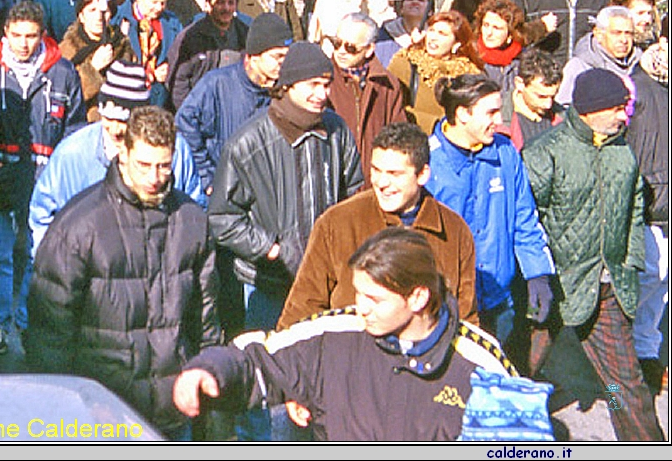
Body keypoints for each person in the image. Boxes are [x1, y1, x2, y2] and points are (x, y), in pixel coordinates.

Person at [173, 227, 522, 442]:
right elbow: (258, 360)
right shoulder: (335, 334)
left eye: (375, 298)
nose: (361, 307)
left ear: (418, 297)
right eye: (358, 293)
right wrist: (210, 370)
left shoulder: (480, 363)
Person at [29, 106, 221, 439]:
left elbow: (206, 322)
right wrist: (66, 406)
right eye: (144, 165)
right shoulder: (79, 226)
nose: (154, 177)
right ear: (123, 153)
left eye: (164, 165)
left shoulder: (192, 221)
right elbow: (49, 333)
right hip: (102, 409)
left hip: (172, 407)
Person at [522, 68, 665, 440]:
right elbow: (524, 219)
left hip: (605, 289)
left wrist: (630, 262)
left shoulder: (623, 153)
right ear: (590, 109)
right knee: (520, 372)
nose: (625, 115)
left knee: (623, 386)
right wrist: (538, 274)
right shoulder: (545, 153)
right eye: (618, 108)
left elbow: (634, 211)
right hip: (553, 288)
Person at [208, 41, 364, 337]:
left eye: (327, 84)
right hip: (268, 285)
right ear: (288, 85)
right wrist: (271, 248)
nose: (322, 94)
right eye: (313, 84)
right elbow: (222, 218)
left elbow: (354, 192)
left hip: (327, 280)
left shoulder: (336, 130)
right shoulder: (248, 144)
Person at [0, 1, 84, 356]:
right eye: (16, 35)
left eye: (31, 36)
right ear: (5, 33)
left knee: (39, 257)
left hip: (43, 181)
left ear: (42, 34)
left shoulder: (63, 72)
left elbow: (74, 127)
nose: (23, 43)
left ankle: (25, 317)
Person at [279, 122, 477, 329]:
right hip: (351, 355)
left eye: (394, 174)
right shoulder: (337, 224)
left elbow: (465, 320)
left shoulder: (454, 231)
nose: (382, 183)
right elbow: (301, 311)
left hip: (427, 358)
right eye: (376, 170)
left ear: (422, 175)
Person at [426, 74, 555, 349]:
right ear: (462, 113)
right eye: (492, 112)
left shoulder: (505, 153)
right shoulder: (428, 161)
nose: (499, 121)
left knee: (496, 377)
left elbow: (524, 217)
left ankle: (615, 395)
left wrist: (538, 274)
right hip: (446, 302)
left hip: (497, 299)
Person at [30, 61, 203, 256]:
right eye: (108, 118)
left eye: (123, 121)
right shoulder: (72, 153)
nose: (115, 129)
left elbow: (194, 212)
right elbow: (43, 215)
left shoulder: (174, 150)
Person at [175, 13, 293, 191]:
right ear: (254, 56)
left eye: (286, 56)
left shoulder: (285, 91)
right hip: (220, 189)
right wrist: (207, 175)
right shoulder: (217, 83)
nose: (282, 63)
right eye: (277, 56)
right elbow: (184, 122)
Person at [626, 22, 668, 393]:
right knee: (645, 279)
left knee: (661, 284)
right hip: (645, 203)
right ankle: (620, 383)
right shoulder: (636, 85)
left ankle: (647, 352)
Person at [322, 12, 408, 165]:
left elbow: (398, 135)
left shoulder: (387, 84)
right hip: (334, 177)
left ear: (369, 49)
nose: (341, 51)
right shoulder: (322, 80)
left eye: (350, 47)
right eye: (337, 43)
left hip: (373, 178)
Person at [388, 9, 484, 133]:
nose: (433, 38)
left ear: (456, 44)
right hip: (418, 139)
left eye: (442, 34)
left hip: (458, 143)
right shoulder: (406, 63)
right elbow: (391, 107)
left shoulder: (471, 73)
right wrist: (435, 124)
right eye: (431, 30)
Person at [165, 0, 248, 112]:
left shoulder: (244, 35)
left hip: (233, 110)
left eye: (231, 3)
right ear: (208, 5)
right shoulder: (191, 36)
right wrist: (189, 113)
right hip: (199, 110)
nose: (226, 8)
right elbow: (178, 81)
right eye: (220, 2)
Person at [59, 0, 132, 122]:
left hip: (118, 123)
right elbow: (63, 93)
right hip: (81, 123)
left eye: (104, 11)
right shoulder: (67, 49)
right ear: (81, 16)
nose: (99, 17)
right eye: (92, 10)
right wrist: (92, 69)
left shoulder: (122, 45)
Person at [111, 0, 182, 107]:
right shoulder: (118, 20)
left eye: (163, 3)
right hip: (127, 96)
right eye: (154, 2)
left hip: (159, 99)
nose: (159, 8)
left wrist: (170, 67)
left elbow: (183, 54)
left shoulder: (172, 22)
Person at [558, 4, 638, 105]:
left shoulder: (640, 66)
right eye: (616, 33)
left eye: (628, 33)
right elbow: (564, 109)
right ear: (599, 34)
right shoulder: (579, 67)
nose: (624, 40)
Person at [495, 48, 565, 150]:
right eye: (541, 96)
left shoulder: (563, 117)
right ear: (520, 84)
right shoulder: (497, 121)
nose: (548, 104)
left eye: (553, 96)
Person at [474, 0, 532, 93]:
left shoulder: (523, 60)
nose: (489, 33)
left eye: (496, 28)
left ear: (510, 34)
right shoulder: (473, 58)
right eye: (486, 25)